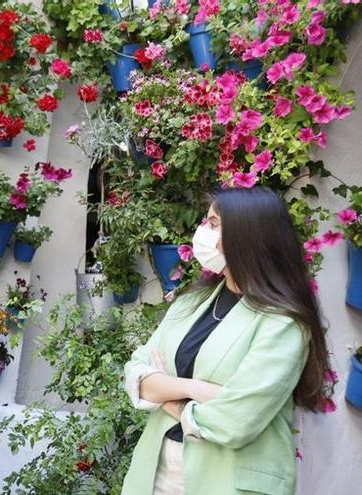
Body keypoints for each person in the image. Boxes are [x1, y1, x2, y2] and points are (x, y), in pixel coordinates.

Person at [121, 187, 330, 495]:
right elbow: (137, 376)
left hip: (226, 482)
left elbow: (235, 421)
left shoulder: (283, 324)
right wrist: (196, 390)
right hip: (155, 474)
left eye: (214, 223)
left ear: (247, 234)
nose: (203, 232)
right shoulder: (190, 303)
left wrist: (166, 394)